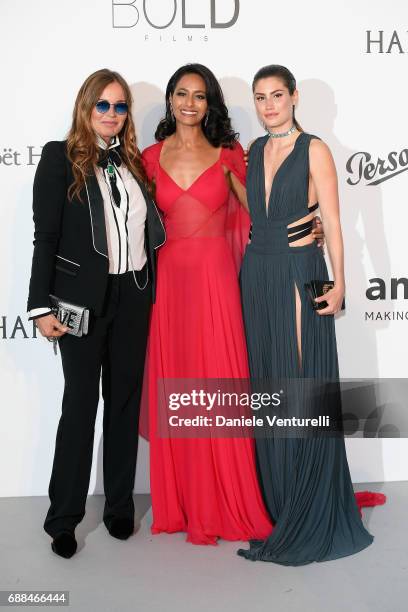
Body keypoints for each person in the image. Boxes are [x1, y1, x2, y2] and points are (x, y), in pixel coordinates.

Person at [237, 64, 385, 565]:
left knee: (302, 383)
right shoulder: (254, 151)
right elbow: (257, 210)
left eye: (277, 95)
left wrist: (341, 281)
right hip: (256, 272)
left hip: (301, 268)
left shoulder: (315, 148)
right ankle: (281, 500)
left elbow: (336, 222)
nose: (269, 105)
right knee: (270, 384)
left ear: (295, 96)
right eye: (260, 97)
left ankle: (310, 502)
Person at [27, 68, 165, 558]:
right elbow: (46, 237)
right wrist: (39, 304)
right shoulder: (59, 158)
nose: (111, 113)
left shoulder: (134, 163)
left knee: (124, 405)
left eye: (120, 106)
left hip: (133, 296)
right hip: (80, 302)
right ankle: (63, 518)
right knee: (81, 406)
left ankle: (119, 508)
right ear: (86, 107)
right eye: (102, 104)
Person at [141, 63, 274, 545]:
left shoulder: (229, 153)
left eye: (199, 95)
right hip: (171, 286)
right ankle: (180, 503)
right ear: (171, 100)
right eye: (181, 93)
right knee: (179, 385)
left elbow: (260, 215)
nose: (190, 103)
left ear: (209, 102)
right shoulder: (149, 158)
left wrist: (308, 228)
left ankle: (223, 500)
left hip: (217, 281)